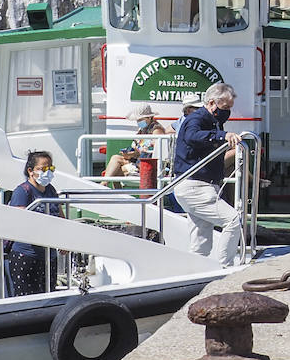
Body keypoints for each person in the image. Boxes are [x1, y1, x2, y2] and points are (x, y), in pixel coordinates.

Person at [173, 83, 246, 266]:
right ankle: (224, 265)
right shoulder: (196, 119)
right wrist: (221, 135)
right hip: (195, 186)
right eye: (225, 107)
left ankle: (197, 269)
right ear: (212, 103)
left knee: (201, 236)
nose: (228, 112)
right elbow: (192, 136)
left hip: (200, 186)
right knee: (232, 220)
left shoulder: (213, 121)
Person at [6, 151, 61, 296]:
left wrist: (64, 240)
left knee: (48, 299)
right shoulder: (22, 191)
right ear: (30, 171)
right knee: (27, 300)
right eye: (43, 169)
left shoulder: (51, 190)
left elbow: (61, 217)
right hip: (26, 255)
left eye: (51, 169)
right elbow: (19, 221)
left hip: (49, 256)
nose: (48, 172)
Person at [104, 105, 165, 179]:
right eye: (137, 120)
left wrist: (135, 153)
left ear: (149, 117)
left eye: (140, 120)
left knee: (116, 171)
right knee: (115, 158)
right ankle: (106, 184)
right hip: (137, 160)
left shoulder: (156, 130)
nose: (138, 122)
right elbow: (139, 148)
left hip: (146, 163)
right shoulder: (142, 129)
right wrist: (131, 154)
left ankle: (105, 184)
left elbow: (156, 151)